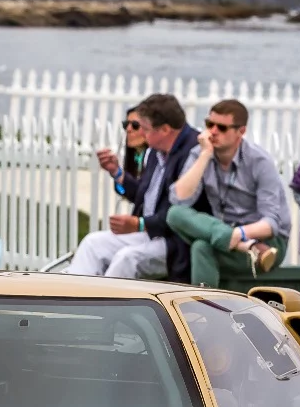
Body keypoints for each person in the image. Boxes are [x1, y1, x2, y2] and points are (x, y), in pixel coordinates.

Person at [67, 93, 203, 281]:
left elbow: (182, 209)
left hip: (176, 241)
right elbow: (143, 194)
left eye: (145, 129)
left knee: (127, 258)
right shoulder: (156, 152)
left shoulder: (193, 152)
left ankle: (104, 308)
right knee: (92, 243)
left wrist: (140, 224)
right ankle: (72, 299)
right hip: (148, 233)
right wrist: (117, 173)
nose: (142, 134)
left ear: (164, 129)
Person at [166, 99, 291, 285]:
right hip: (232, 239)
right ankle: (247, 247)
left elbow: (271, 224)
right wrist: (205, 155)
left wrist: (238, 234)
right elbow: (179, 199)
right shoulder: (200, 153)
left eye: (222, 128)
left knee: (202, 247)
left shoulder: (259, 162)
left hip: (269, 244)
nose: (213, 132)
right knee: (174, 214)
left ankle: (202, 312)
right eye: (209, 125)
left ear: (241, 132)